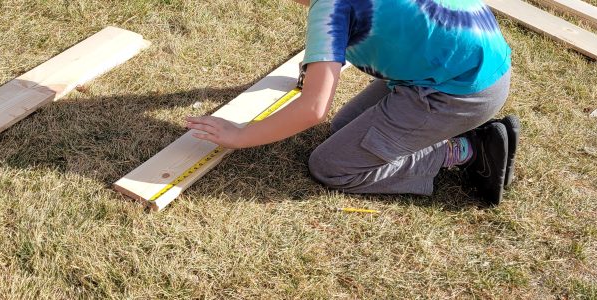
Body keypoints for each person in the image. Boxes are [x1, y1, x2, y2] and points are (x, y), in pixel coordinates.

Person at [185, 0, 520, 205]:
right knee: (343, 129)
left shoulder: (331, 8)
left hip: (459, 92)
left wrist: (241, 135)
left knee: (334, 165)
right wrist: (314, 69)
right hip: (467, 63)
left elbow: (313, 109)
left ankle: (469, 151)